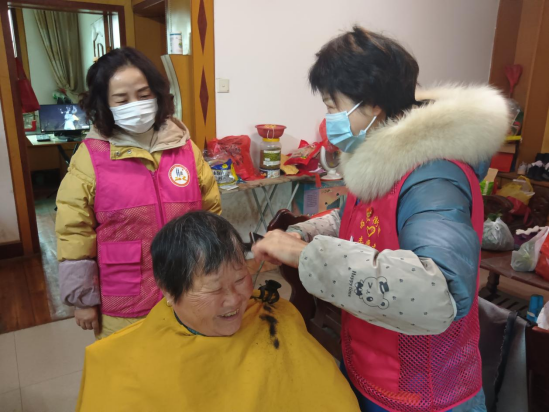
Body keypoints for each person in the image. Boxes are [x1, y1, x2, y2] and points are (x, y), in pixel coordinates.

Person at [252, 27, 510, 412]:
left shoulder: (434, 177)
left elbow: (437, 291)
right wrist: (300, 233)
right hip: (370, 364)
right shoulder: (382, 161)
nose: (328, 119)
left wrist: (308, 256)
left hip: (422, 393)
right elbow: (357, 219)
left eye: (333, 106)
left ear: (372, 104)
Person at [76, 211, 360, 412]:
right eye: (214, 289)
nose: (234, 300)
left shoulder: (277, 317)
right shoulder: (119, 367)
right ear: (168, 291)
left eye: (240, 279)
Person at [55, 48, 221, 340]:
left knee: (190, 360)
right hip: (124, 298)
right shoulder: (90, 157)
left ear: (157, 94)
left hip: (189, 287)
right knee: (131, 366)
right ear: (105, 104)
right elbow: (74, 231)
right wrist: (83, 300)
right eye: (122, 99)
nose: (136, 105)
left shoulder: (185, 148)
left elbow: (211, 214)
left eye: (144, 95)